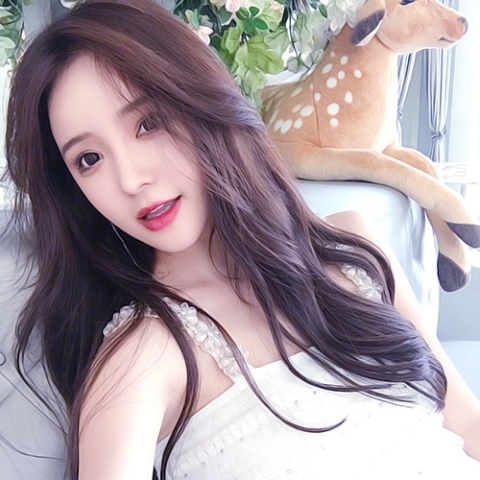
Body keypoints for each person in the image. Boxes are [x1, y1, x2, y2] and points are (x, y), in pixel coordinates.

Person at [3, 0, 480, 478]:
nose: (130, 179)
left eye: (148, 123)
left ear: (200, 101)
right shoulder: (141, 360)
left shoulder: (352, 249)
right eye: (89, 159)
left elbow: (467, 425)